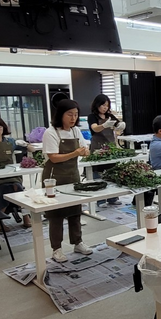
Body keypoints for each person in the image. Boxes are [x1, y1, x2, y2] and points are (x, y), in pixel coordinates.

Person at [42, 99, 94, 263]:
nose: (73, 118)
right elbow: (53, 157)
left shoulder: (75, 131)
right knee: (56, 214)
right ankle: (56, 248)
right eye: (69, 114)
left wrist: (85, 151)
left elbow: (84, 148)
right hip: (54, 178)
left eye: (76, 114)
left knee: (75, 211)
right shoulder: (51, 132)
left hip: (72, 175)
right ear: (60, 115)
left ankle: (78, 242)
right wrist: (75, 153)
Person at [88, 94, 126, 207]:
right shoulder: (92, 116)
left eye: (107, 105)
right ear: (97, 105)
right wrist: (104, 125)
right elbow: (95, 128)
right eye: (103, 105)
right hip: (98, 147)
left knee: (112, 172)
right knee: (99, 174)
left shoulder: (109, 116)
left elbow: (118, 124)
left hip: (110, 146)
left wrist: (121, 125)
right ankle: (100, 200)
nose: (105, 107)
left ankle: (113, 198)